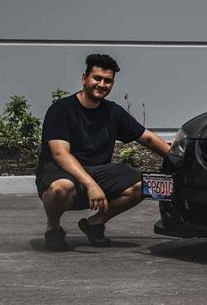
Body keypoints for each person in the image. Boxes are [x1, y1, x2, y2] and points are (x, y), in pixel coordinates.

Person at [35, 53, 171, 251]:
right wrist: (91, 185)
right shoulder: (61, 110)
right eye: (97, 78)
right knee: (60, 188)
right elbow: (60, 154)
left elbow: (146, 137)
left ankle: (95, 223)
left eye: (108, 81)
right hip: (63, 172)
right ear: (84, 78)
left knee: (150, 185)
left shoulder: (112, 111)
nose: (102, 84)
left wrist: (178, 158)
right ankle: (53, 228)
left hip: (100, 171)